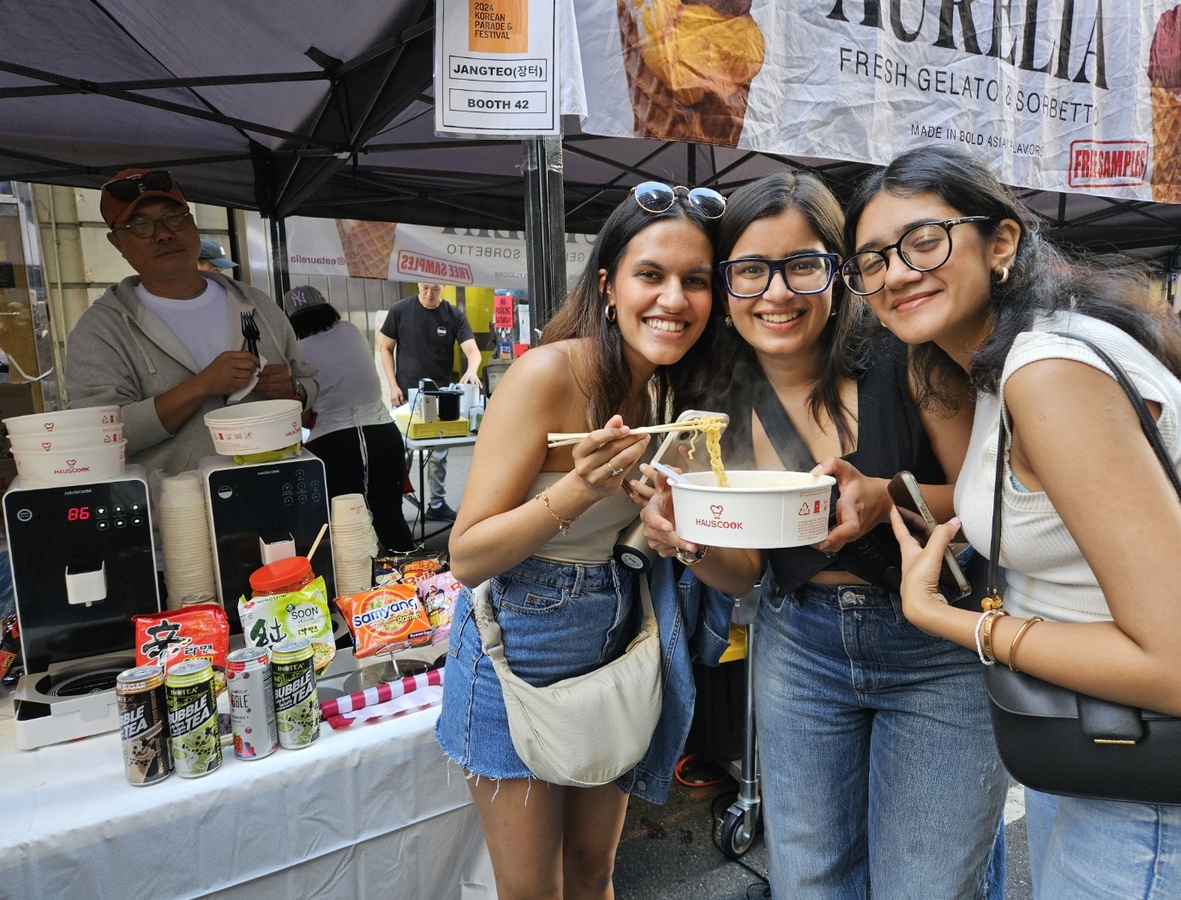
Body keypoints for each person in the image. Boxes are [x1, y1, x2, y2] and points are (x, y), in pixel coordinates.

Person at [639, 171, 1008, 899]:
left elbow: (987, 506)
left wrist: (887, 497)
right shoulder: (713, 399)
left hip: (937, 643)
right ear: (726, 284)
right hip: (799, 642)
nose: (776, 293)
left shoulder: (909, 357)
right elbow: (744, 571)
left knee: (927, 888)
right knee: (810, 880)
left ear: (839, 273)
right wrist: (687, 536)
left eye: (802, 265)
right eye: (750, 270)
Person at [841, 143, 1181, 898]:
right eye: (871, 261)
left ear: (1001, 243)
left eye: (923, 241)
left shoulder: (1048, 372)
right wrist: (884, 494)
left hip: (1147, 781)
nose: (895, 273)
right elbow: (1053, 514)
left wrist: (948, 618)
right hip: (1096, 743)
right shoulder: (1016, 356)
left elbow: (1176, 665)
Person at [437, 182, 725, 899]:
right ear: (607, 287)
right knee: (533, 891)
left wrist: (663, 525)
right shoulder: (547, 373)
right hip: (517, 638)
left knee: (594, 872)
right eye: (650, 275)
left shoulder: (670, 389)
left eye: (695, 280)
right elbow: (466, 556)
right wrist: (578, 490)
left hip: (621, 627)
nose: (674, 299)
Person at [65, 168, 317, 476]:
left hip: (278, 484)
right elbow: (97, 435)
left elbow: (309, 383)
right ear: (117, 242)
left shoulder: (256, 304)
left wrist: (292, 390)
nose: (163, 233)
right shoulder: (102, 330)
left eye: (174, 217)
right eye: (141, 225)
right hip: (176, 501)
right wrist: (201, 386)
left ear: (192, 222)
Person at [284, 285, 414, 553]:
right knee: (390, 518)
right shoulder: (350, 330)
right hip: (383, 434)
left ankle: (355, 579)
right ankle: (413, 575)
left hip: (334, 444)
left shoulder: (297, 350)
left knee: (344, 528)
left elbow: (304, 413)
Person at [379, 282, 483, 523]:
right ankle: (392, 506)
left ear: (443, 286)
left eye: (435, 289)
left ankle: (436, 504)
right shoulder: (400, 310)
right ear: (418, 283)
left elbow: (472, 350)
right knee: (400, 453)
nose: (429, 294)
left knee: (438, 455)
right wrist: (392, 385)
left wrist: (472, 369)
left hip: (440, 397)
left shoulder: (453, 315)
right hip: (406, 395)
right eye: (425, 287)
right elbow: (385, 348)